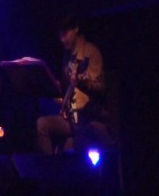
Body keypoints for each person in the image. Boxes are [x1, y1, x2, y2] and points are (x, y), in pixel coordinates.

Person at [36, 14, 114, 155]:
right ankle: (50, 165)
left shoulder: (91, 52)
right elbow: (67, 89)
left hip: (87, 117)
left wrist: (82, 82)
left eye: (65, 34)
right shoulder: (66, 57)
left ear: (76, 28)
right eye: (60, 36)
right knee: (42, 124)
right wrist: (57, 94)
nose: (62, 39)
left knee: (71, 145)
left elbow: (99, 87)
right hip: (71, 118)